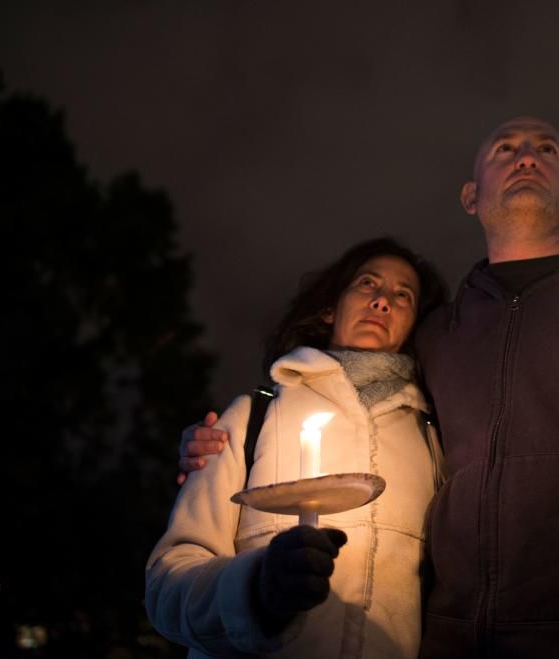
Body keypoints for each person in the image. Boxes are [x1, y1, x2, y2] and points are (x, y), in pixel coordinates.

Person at [181, 117, 559, 657]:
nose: (526, 155)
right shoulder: (437, 338)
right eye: (505, 148)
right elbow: (358, 409)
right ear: (471, 196)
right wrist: (226, 445)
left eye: (546, 148)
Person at [147, 238, 447, 658]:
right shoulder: (251, 417)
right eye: (367, 283)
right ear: (329, 309)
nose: (383, 300)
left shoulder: (433, 441)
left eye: (403, 295)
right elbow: (166, 588)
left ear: (415, 325)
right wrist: (257, 592)